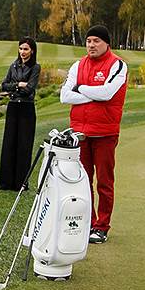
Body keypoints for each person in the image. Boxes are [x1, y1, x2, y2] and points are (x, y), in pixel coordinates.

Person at [60, 24, 127, 244]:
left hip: (105, 133)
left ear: (106, 43)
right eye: (89, 41)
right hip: (80, 133)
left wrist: (80, 88)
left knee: (104, 182)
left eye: (96, 41)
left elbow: (107, 93)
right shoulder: (78, 65)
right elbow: (64, 96)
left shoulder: (117, 65)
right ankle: (87, 223)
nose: (91, 45)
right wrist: (91, 93)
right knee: (82, 181)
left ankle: (102, 226)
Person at [0, 37, 41, 190]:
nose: (22, 52)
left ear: (32, 51)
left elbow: (29, 89)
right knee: (9, 144)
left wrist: (14, 88)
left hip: (26, 109)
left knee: (24, 145)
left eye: (26, 49)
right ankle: (6, 183)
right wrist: (18, 85)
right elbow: (4, 85)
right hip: (13, 107)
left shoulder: (35, 67)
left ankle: (20, 183)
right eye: (21, 48)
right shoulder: (13, 65)